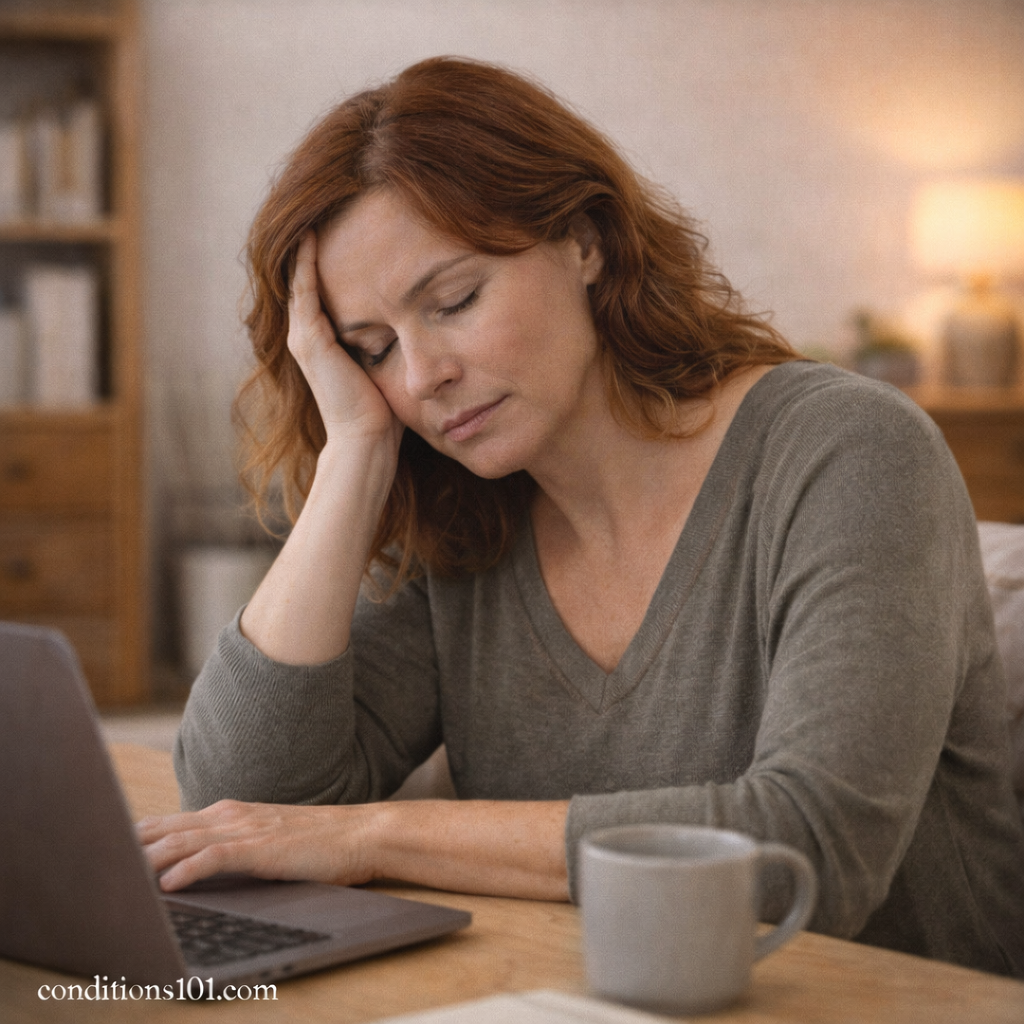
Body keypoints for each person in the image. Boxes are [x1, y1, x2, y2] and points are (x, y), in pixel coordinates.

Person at [139, 56, 1024, 976]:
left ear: (587, 240)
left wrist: (377, 835)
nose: (420, 376)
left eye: (454, 302)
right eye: (371, 350)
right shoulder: (461, 514)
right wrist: (355, 457)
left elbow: (810, 846)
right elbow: (246, 807)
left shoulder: (849, 451)